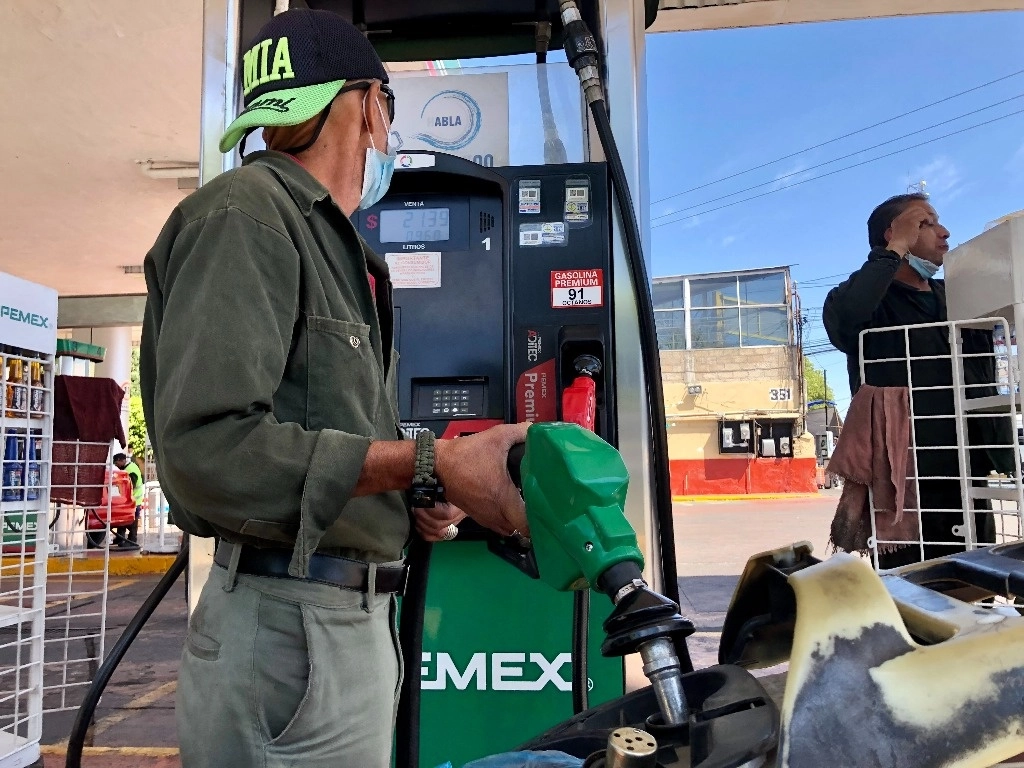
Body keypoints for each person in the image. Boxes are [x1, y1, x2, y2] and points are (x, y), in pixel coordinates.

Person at [139, 10, 528, 768]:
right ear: (365, 104)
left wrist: (407, 499)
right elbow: (206, 453)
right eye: (388, 110)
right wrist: (425, 463)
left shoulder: (344, 249)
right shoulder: (246, 215)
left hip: (344, 625)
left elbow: (317, 436)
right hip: (291, 637)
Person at [823, 193, 1013, 568]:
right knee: (916, 592)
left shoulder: (956, 297)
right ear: (894, 234)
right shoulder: (862, 299)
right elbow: (846, 319)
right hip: (904, 476)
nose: (944, 232)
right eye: (925, 223)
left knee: (979, 585)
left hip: (967, 469)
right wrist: (893, 250)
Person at [112, 452, 143, 549]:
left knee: (132, 521)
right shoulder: (127, 468)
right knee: (123, 519)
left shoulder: (131, 469)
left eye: (117, 463)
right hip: (129, 501)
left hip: (134, 501)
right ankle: (120, 537)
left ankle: (132, 540)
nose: (116, 465)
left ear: (122, 461)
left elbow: (131, 486)